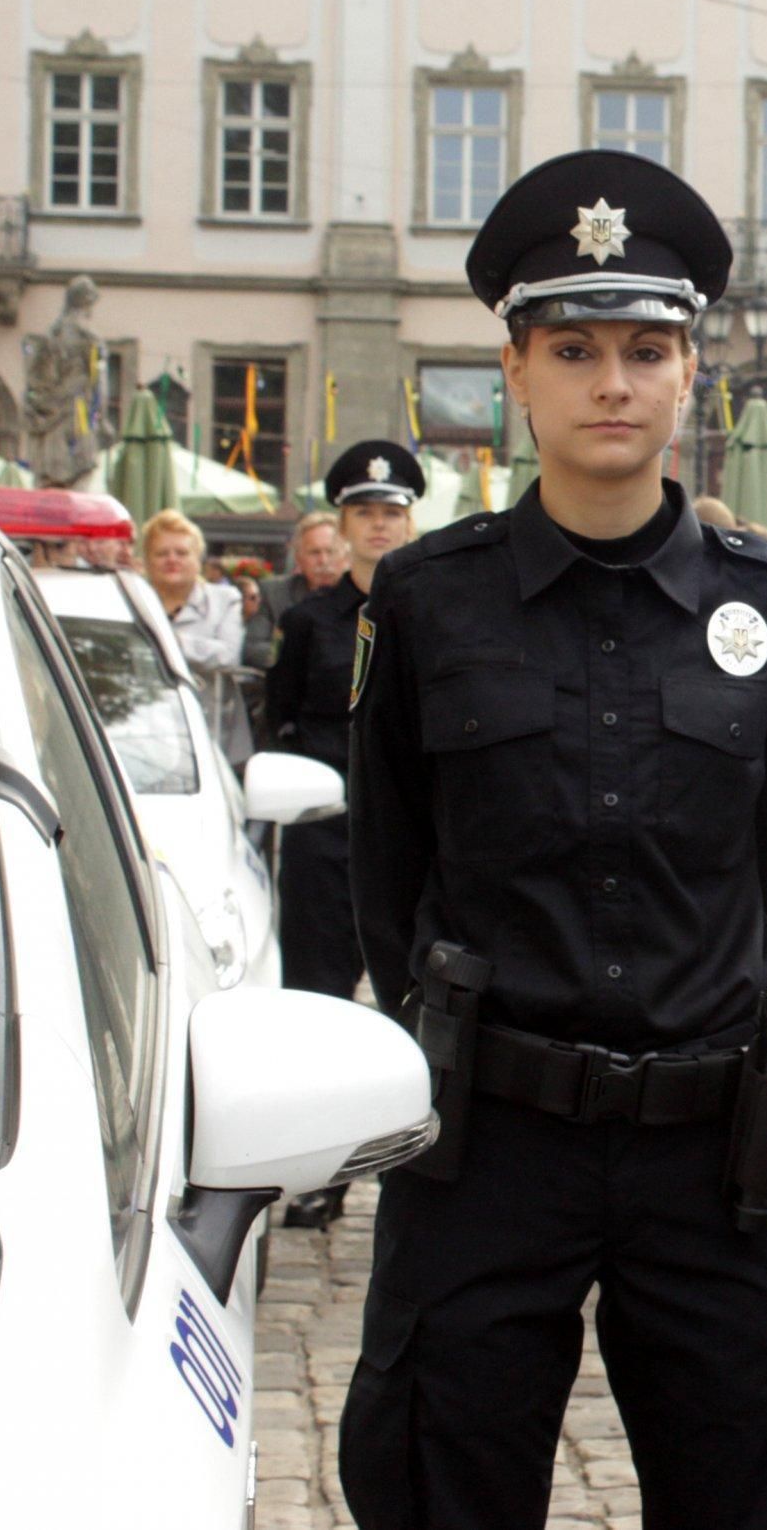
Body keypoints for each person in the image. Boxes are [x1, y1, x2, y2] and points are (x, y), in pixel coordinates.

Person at [342, 150, 767, 1530]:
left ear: (691, 371)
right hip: (490, 1142)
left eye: (645, 347)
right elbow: (391, 874)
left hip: (711, 1146)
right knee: (440, 1476)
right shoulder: (430, 605)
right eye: (574, 348)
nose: (612, 381)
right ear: (517, 370)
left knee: (752, 1482)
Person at [263, 441, 423, 1228]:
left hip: (413, 842)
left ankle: (407, 1163)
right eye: (364, 513)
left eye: (391, 512)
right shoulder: (307, 621)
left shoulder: (433, 613)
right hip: (327, 837)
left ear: (410, 519)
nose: (378, 525)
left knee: (413, 1009)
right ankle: (321, 1173)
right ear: (343, 523)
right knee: (320, 1009)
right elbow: (277, 726)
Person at [142, 508, 254, 766]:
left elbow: (228, 655)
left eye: (182, 552)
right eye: (162, 553)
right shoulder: (133, 601)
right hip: (146, 733)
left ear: (199, 559)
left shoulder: (224, 600)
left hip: (213, 736)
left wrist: (167, 641)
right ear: (147, 560)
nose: (172, 559)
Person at [245, 509, 349, 672]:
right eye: (314, 552)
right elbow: (252, 650)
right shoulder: (273, 593)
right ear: (299, 559)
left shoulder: (364, 595)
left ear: (346, 556)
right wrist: (306, 655)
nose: (323, 561)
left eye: (331, 551)